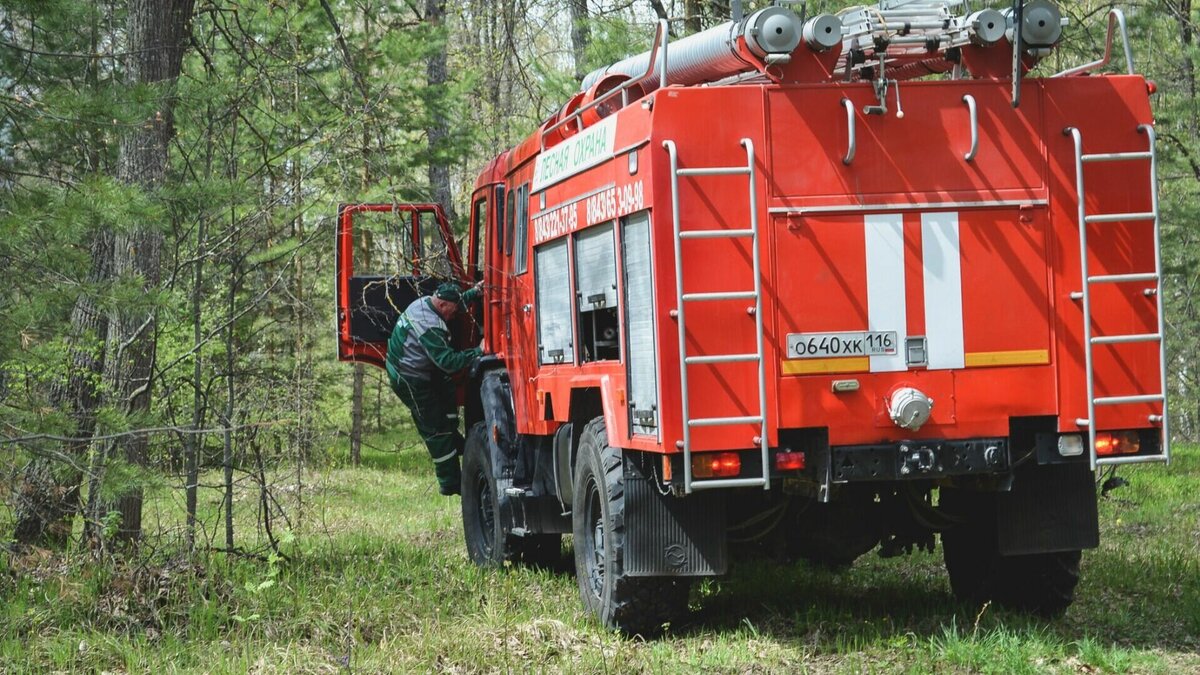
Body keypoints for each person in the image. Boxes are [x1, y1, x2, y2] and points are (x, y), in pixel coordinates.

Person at [385, 281, 483, 495]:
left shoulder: (425, 303)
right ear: (442, 305)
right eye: (453, 310)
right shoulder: (429, 325)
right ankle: (451, 483)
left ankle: (453, 439)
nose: (454, 315)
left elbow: (455, 302)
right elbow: (448, 362)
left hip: (405, 368)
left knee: (445, 389)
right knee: (436, 430)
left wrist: (474, 292)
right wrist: (478, 351)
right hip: (409, 379)